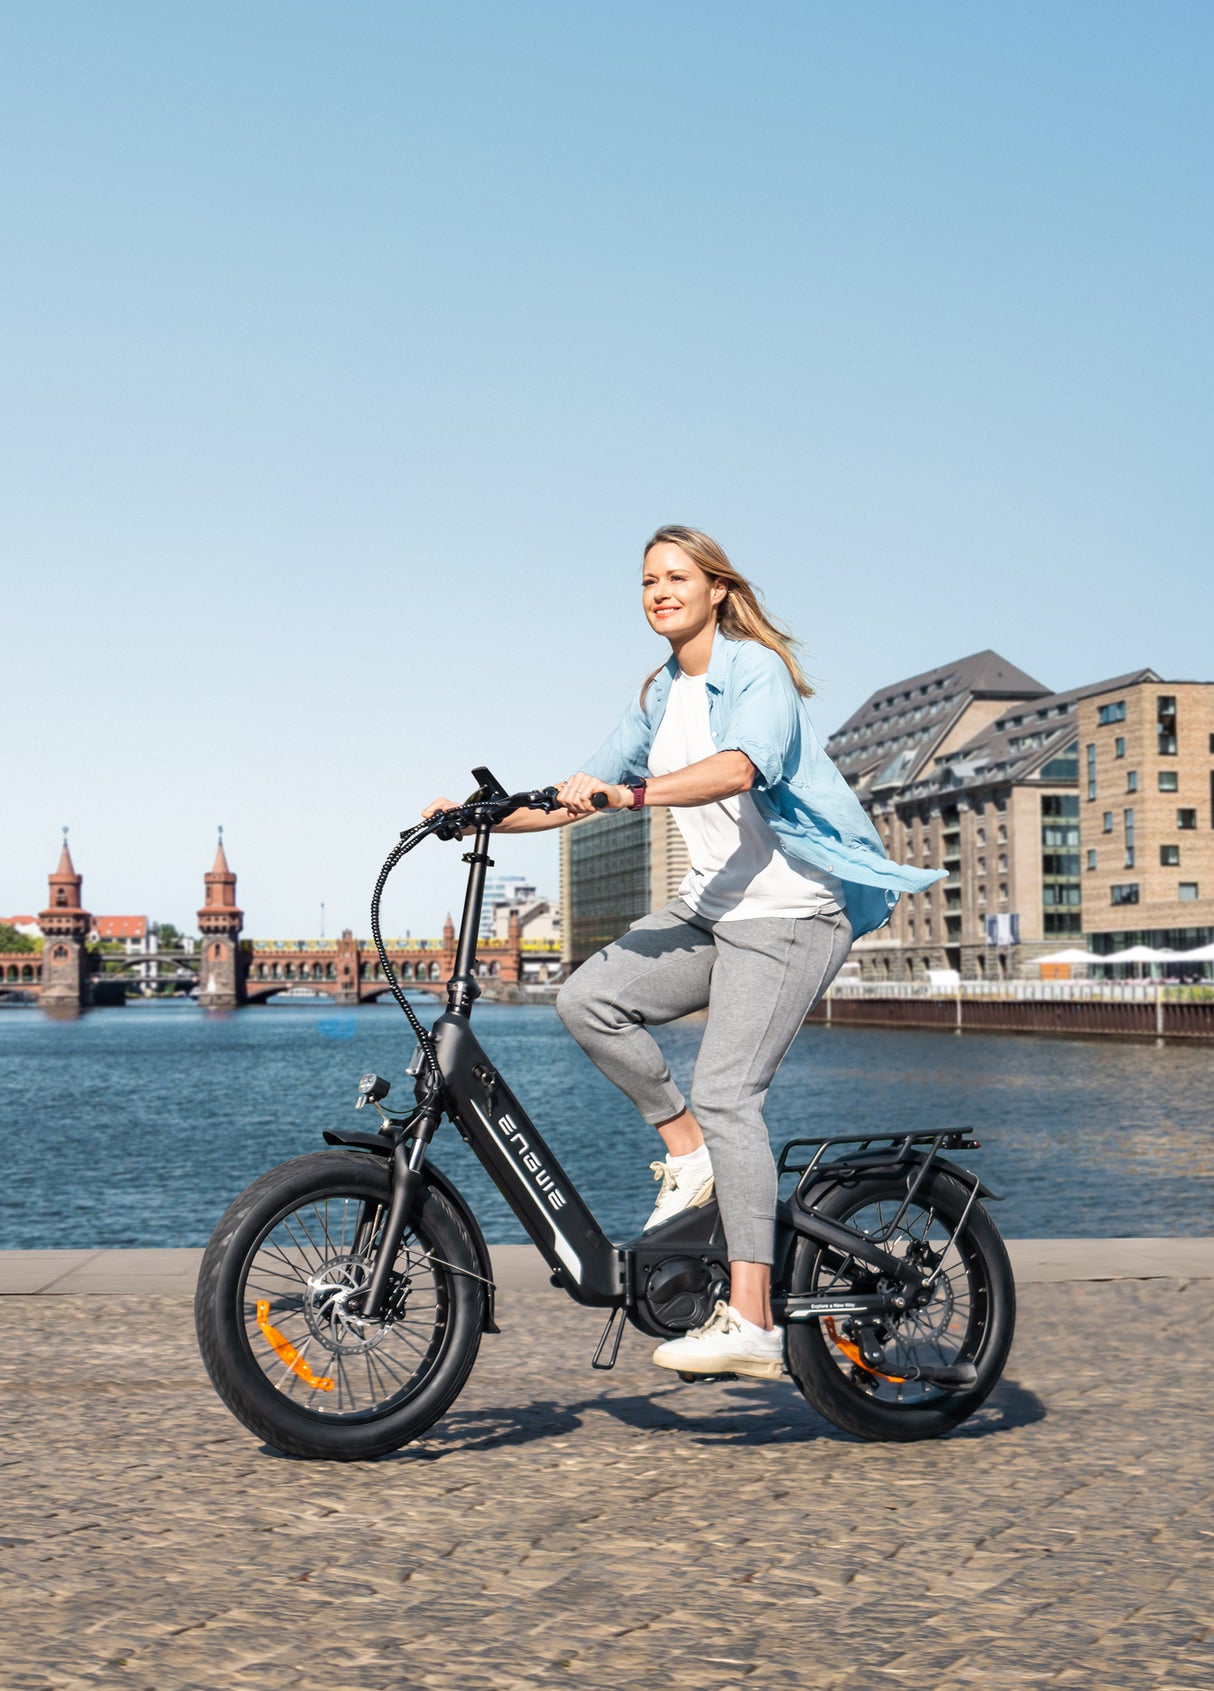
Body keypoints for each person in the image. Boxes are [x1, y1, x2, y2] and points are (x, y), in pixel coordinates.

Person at [424, 525, 943, 1381]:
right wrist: (479, 815)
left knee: (729, 1090)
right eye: (646, 580)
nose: (659, 590)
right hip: (715, 908)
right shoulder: (662, 691)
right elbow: (575, 791)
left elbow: (742, 767)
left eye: (675, 576)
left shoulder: (754, 671)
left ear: (714, 588)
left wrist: (632, 793)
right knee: (587, 999)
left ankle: (751, 1315)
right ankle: (689, 1149)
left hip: (789, 910)